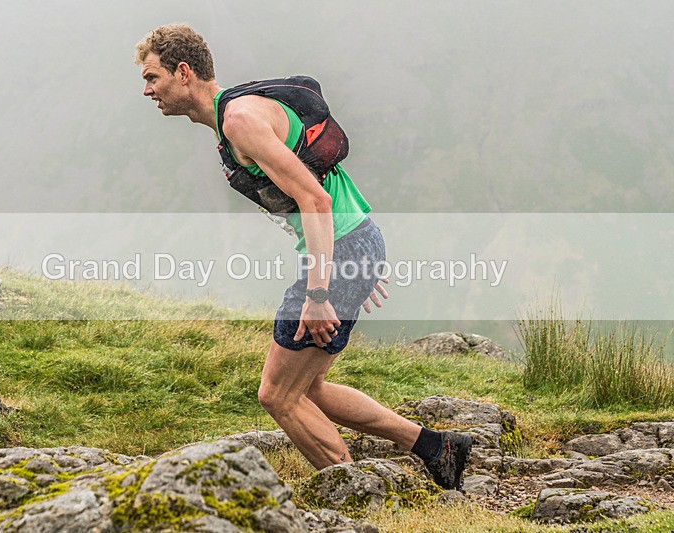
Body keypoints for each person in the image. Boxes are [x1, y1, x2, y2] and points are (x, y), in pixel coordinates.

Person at [134, 23, 472, 490]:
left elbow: (317, 200)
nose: (147, 90)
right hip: (352, 245)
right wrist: (353, 264)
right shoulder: (233, 115)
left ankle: (355, 494)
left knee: (278, 394)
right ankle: (437, 447)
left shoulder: (240, 121)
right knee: (307, 389)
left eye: (152, 77)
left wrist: (321, 290)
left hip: (347, 247)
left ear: (184, 72)